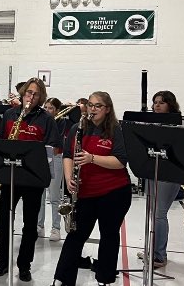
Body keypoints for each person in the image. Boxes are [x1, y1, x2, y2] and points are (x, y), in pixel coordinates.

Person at [51, 92, 132, 286]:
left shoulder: (116, 130)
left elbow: (121, 162)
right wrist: (69, 178)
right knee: (75, 236)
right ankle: (61, 280)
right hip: (84, 192)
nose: (92, 109)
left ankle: (104, 279)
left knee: (109, 236)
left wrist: (92, 158)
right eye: (90, 105)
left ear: (107, 109)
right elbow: (68, 155)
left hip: (114, 192)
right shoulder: (77, 128)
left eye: (98, 106)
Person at [0, 78, 61, 282]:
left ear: (41, 98)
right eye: (28, 93)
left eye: (36, 94)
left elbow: (53, 146)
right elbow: (0, 141)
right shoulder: (9, 115)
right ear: (22, 94)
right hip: (10, 176)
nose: (31, 97)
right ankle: (3, 260)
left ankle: (24, 264)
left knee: (30, 224)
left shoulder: (46, 119)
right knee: (4, 219)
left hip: (32, 177)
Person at [135, 90, 182, 268]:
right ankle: (151, 250)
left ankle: (160, 256)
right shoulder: (151, 123)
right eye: (155, 102)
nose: (156, 105)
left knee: (160, 213)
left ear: (170, 104)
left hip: (169, 172)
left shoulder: (177, 124)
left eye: (161, 102)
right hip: (152, 169)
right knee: (152, 212)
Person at [38, 97, 66, 241]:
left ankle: (56, 228)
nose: (47, 110)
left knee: (54, 196)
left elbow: (58, 142)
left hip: (55, 157)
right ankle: (39, 226)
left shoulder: (61, 122)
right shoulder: (41, 120)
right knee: (40, 195)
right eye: (46, 107)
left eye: (50, 108)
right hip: (41, 157)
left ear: (56, 110)